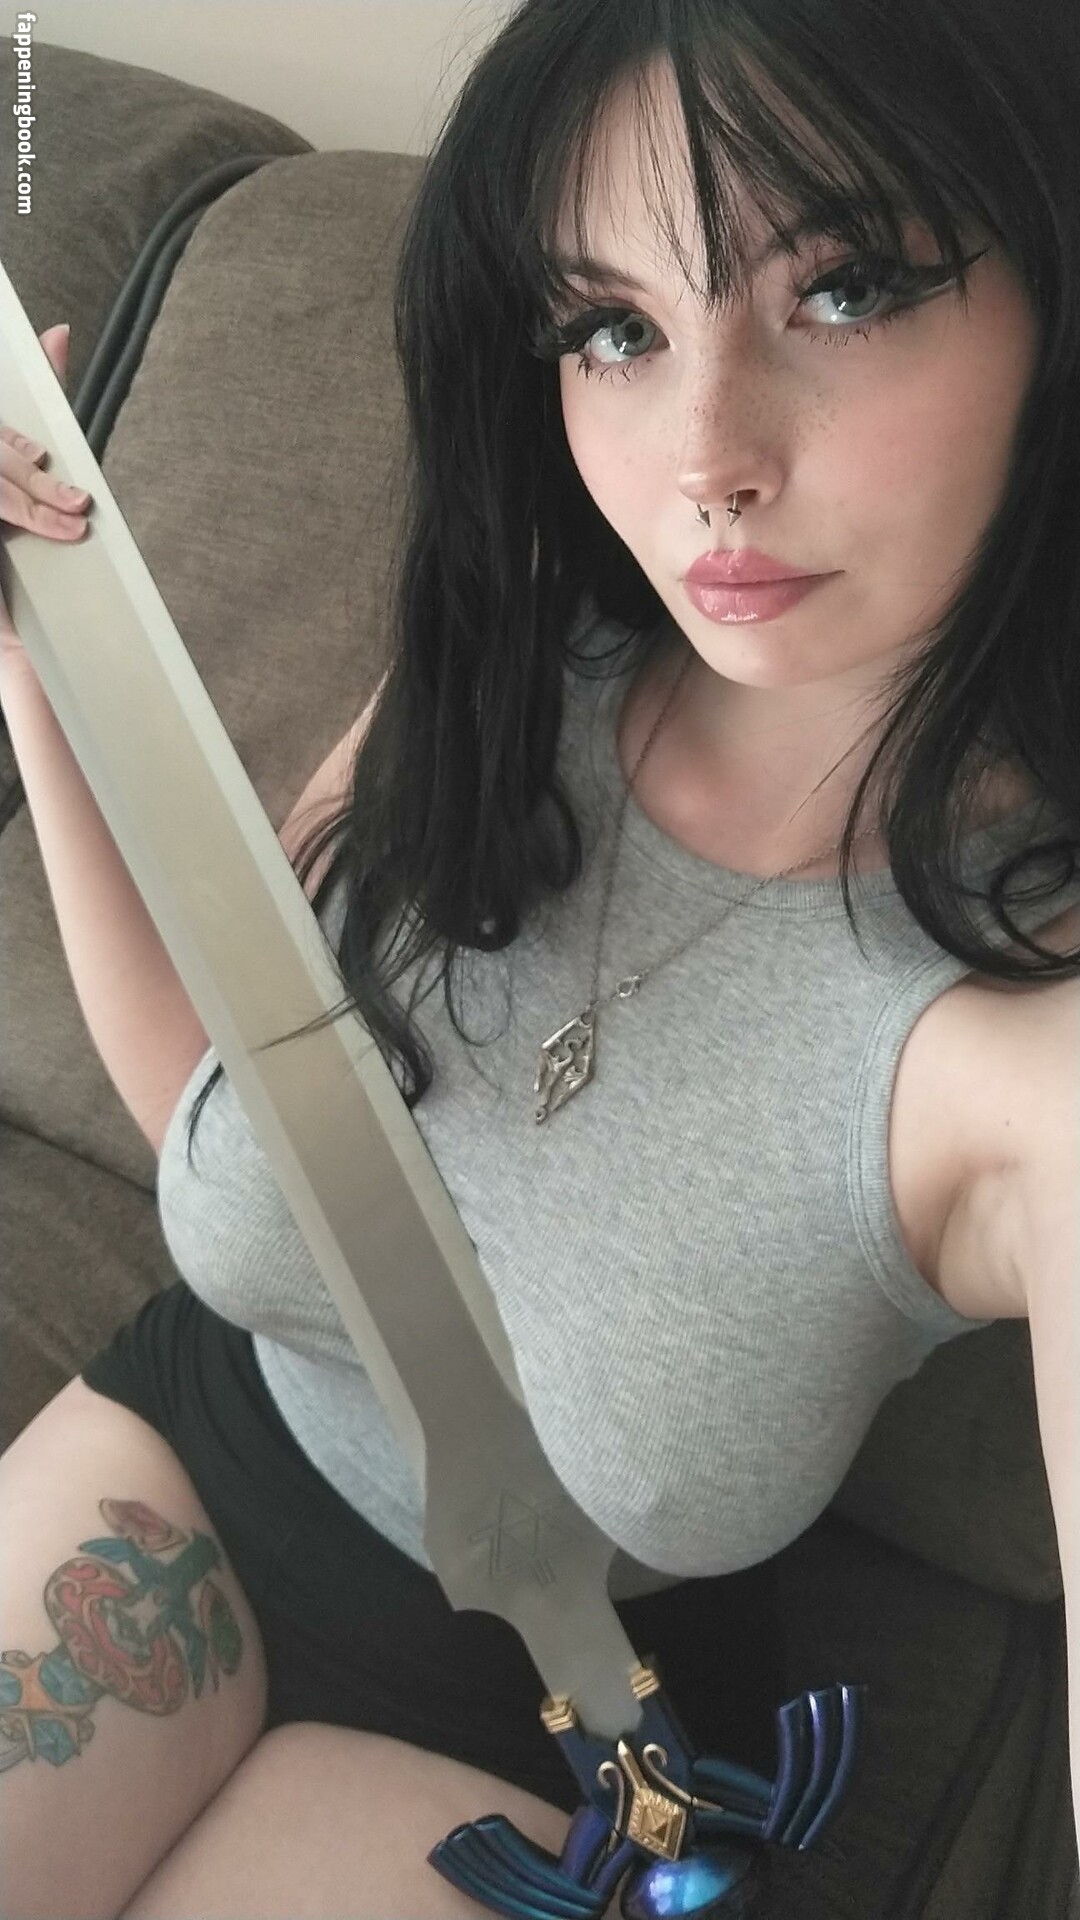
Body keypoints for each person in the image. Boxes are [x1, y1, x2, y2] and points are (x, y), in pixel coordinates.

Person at [2, 0, 1078, 1914]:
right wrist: (37, 659)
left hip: (569, 1718)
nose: (706, 460)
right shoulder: (515, 666)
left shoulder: (1026, 1039)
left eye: (842, 288)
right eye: (614, 327)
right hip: (188, 1450)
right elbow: (226, 1109)